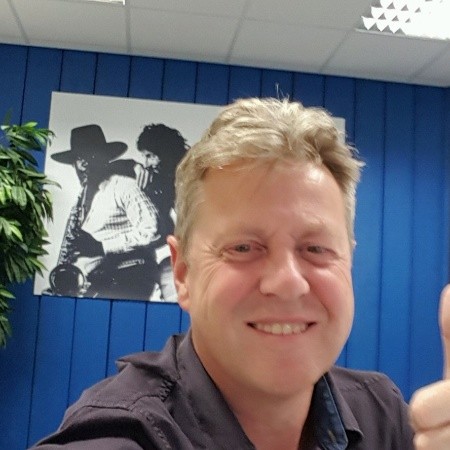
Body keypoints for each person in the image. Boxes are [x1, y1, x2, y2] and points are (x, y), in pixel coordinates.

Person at [32, 98, 450, 449]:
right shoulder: (121, 436)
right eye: (244, 248)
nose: (287, 282)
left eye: (316, 249)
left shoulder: (383, 416)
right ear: (182, 273)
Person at [48, 124, 160, 300]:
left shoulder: (124, 186)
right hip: (99, 279)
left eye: (89, 155)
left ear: (105, 159)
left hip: (130, 275)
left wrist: (103, 246)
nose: (83, 164)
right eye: (78, 159)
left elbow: (152, 231)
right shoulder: (81, 202)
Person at [112, 124, 188, 301]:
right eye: (143, 156)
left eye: (150, 156)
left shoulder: (191, 177)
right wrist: (133, 166)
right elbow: (107, 166)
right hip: (157, 257)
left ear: (165, 153)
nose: (146, 163)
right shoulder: (154, 176)